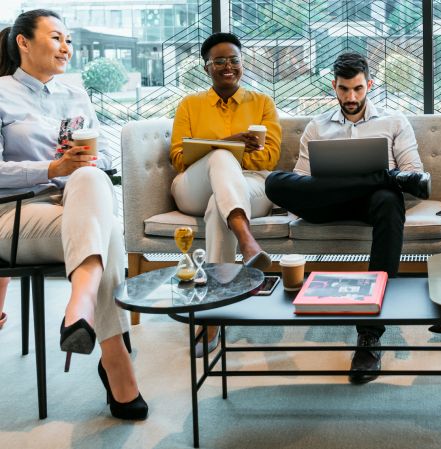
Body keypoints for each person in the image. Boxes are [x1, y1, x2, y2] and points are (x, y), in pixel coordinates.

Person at [0, 10, 147, 419]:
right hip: (15, 215)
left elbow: (93, 162)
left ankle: (80, 305)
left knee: (90, 176)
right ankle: (115, 361)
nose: (67, 47)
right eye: (56, 38)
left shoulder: (76, 95)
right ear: (23, 43)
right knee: (110, 232)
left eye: (68, 40)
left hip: (74, 209)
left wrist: (80, 168)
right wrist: (51, 170)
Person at [265, 52, 431, 384]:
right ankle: (383, 177)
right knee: (274, 182)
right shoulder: (317, 126)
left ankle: (369, 335)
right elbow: (302, 181)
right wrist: (385, 176)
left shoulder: (394, 121)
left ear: (369, 84)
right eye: (344, 89)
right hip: (326, 204)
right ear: (334, 86)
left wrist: (383, 182)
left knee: (388, 198)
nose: (351, 98)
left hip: (372, 205)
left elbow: (415, 175)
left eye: (357, 89)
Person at [170, 32, 281, 357]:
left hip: (250, 186)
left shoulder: (262, 103)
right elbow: (179, 158)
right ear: (207, 68)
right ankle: (247, 241)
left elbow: (268, 158)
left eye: (234, 59)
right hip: (193, 185)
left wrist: (214, 149)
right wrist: (231, 143)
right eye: (220, 61)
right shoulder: (190, 105)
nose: (228, 66)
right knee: (219, 159)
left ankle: (212, 317)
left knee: (217, 208)